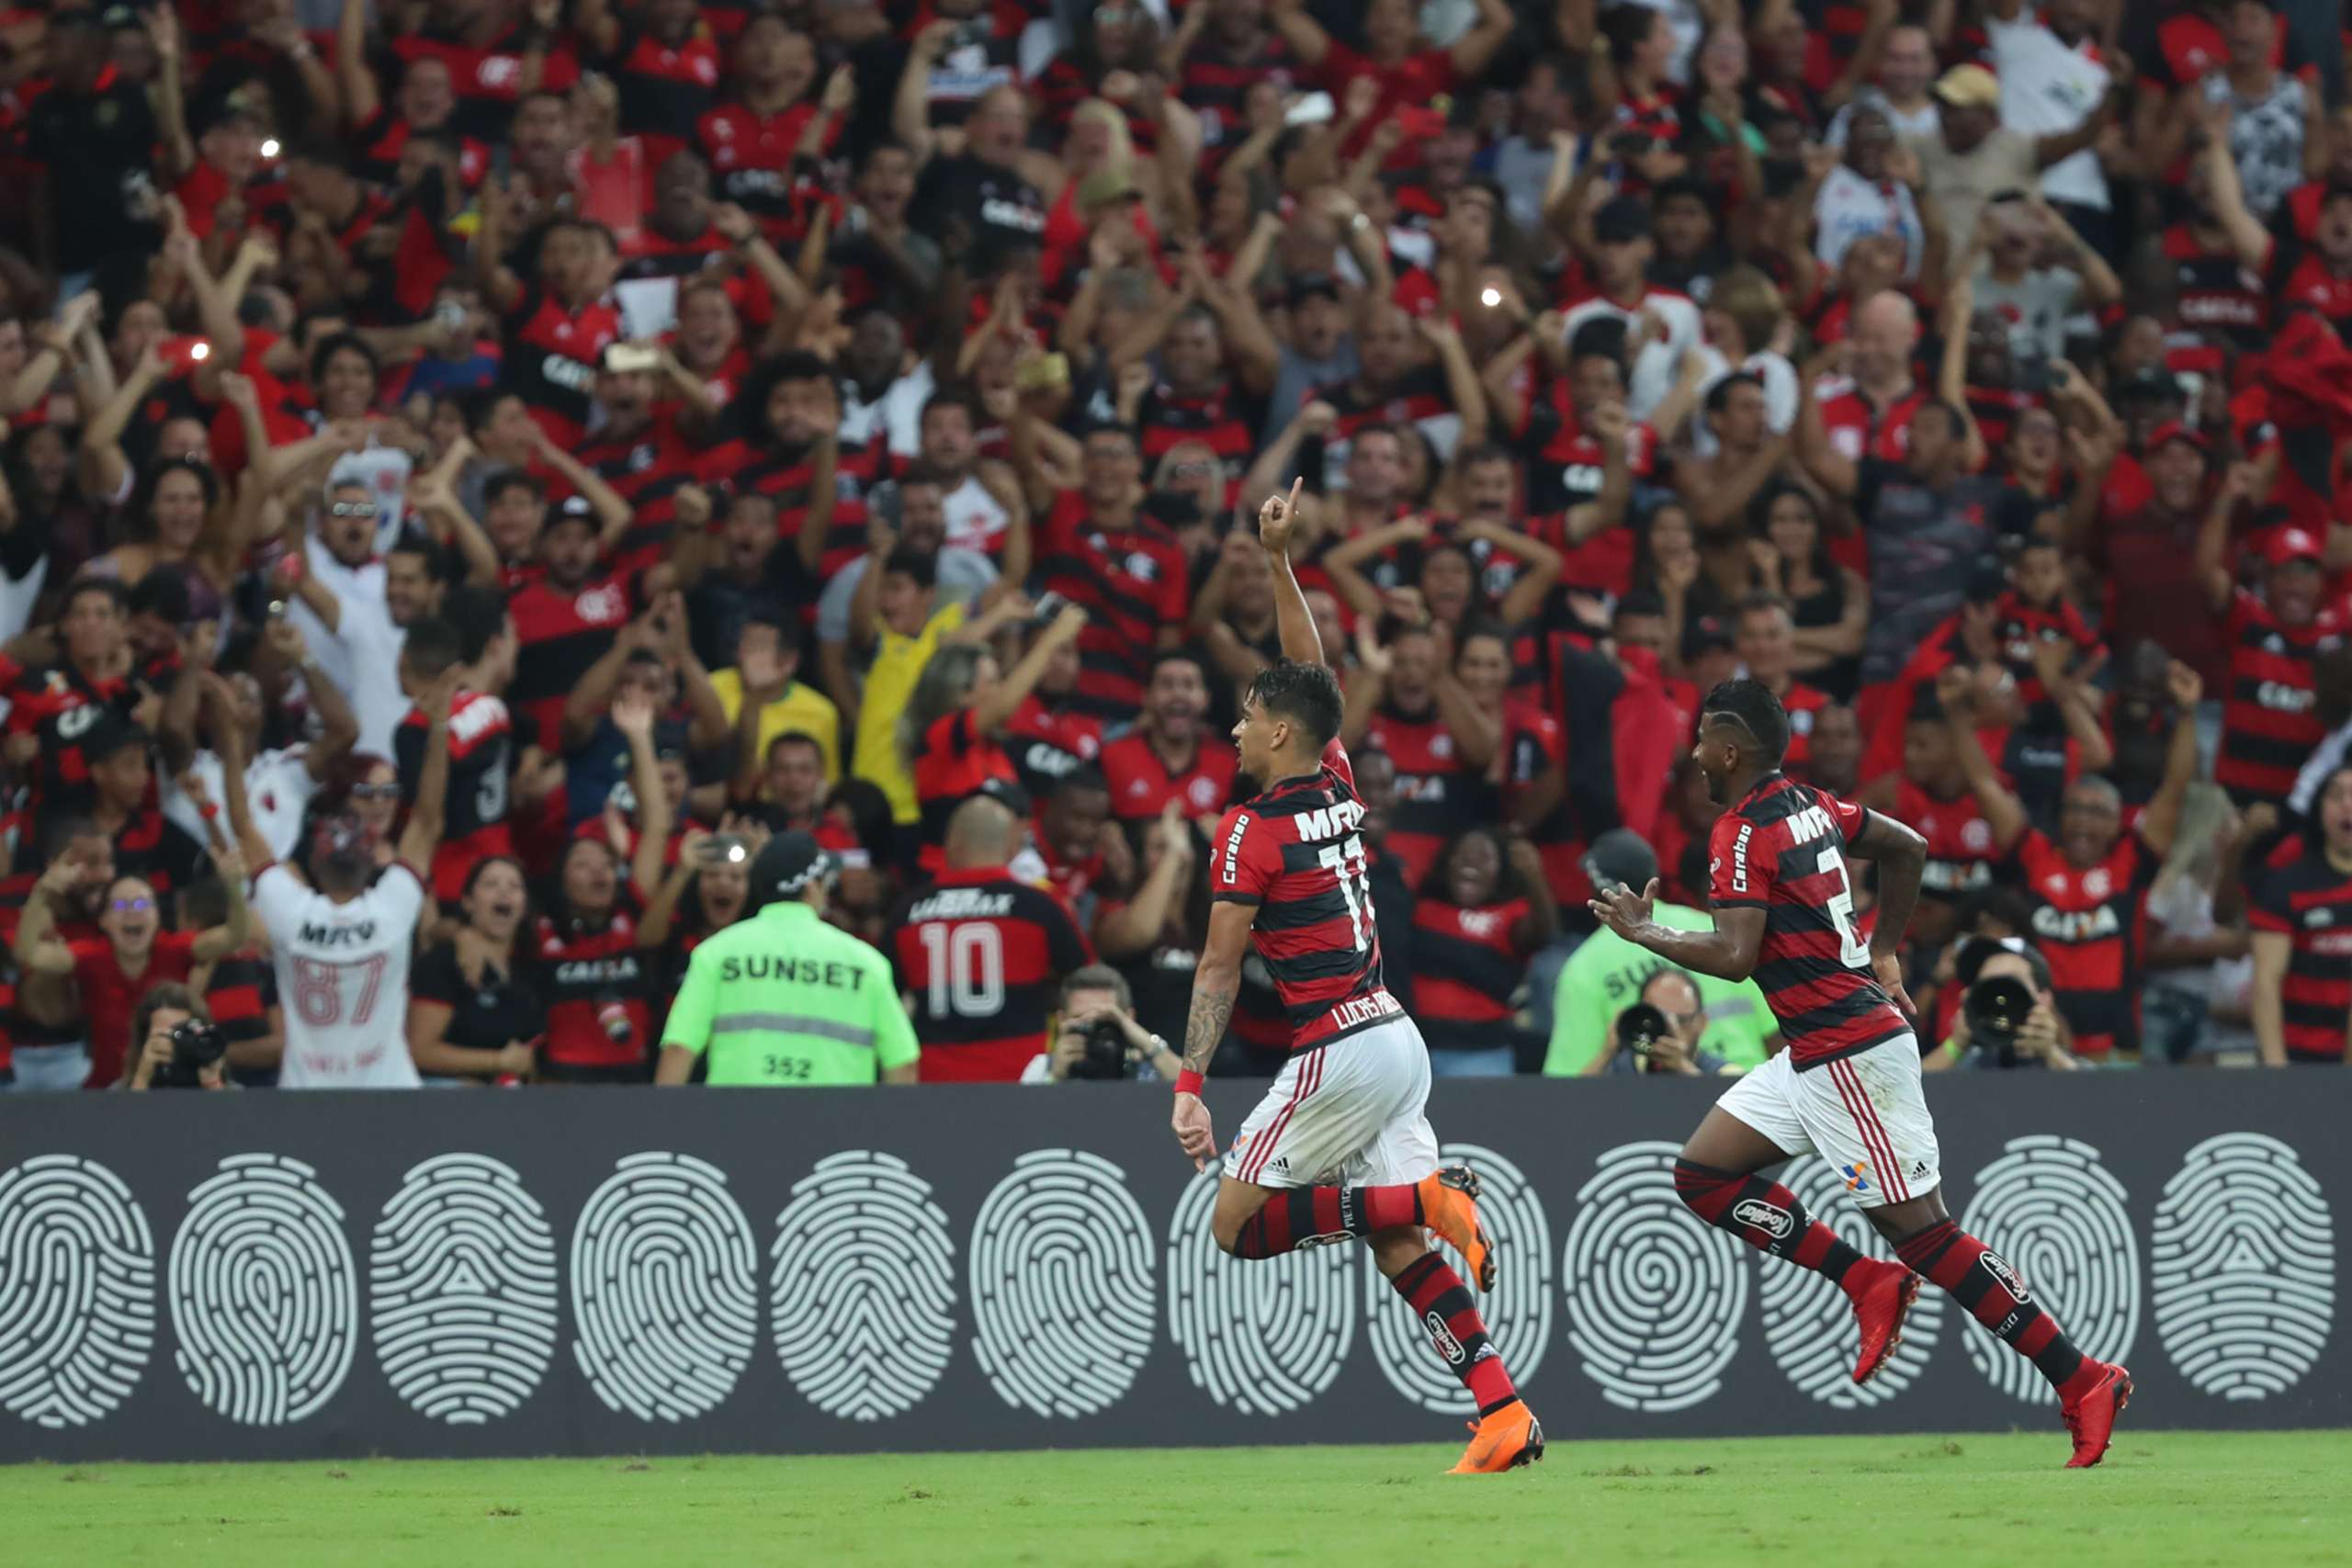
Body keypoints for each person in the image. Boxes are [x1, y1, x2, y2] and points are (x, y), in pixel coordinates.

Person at [1589, 676, 2133, 1467]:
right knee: (1704, 1175)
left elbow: (1736, 955)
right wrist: (1884, 949)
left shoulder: (1740, 829)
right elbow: (1907, 846)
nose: (1695, 751)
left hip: (1847, 1053)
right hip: (1811, 1052)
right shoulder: (1812, 804)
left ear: (1731, 749)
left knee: (1926, 1234)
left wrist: (1649, 933)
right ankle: (1863, 1280)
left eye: (1704, 737)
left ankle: (2081, 1376)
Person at [1174, 479, 1542, 1476]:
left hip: (1337, 1046)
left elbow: (1218, 965)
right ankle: (1502, 1411)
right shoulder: (1336, 779)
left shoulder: (1249, 828)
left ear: (1278, 735)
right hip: (1396, 1037)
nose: (1237, 729)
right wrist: (1278, 561)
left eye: (1248, 717)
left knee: (1236, 1227)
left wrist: (1190, 1083)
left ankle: (1427, 1198)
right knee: (1393, 1244)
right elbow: (1315, 676)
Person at [226, 667, 455, 1089]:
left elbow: (241, 825)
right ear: (370, 868)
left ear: (315, 865)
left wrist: (227, 733)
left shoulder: (290, 913)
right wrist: (439, 725)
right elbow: (428, 821)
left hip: (307, 1096)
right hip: (391, 1092)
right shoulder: (390, 910)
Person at [656, 831, 919, 1087]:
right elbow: (902, 1062)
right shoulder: (867, 963)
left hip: (738, 1114)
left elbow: (679, 1048)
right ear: (811, 888)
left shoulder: (715, 953)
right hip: (837, 1115)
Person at [887, 793, 1090, 1083]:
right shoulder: (1040, 908)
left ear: (951, 844)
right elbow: (1087, 981)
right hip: (1023, 1081)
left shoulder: (908, 913)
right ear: (1011, 847)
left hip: (936, 1085)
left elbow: (886, 998)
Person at [1546, 829, 1778, 1076]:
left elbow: (1569, 1084)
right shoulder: (1720, 936)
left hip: (1645, 1093)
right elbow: (1778, 1036)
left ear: (1595, 888)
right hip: (1746, 1086)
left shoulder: (1584, 966)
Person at [2250, 763, 2352, 1066]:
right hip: (2298, 1060)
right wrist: (2277, 1069)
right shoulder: (2286, 887)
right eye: (2336, 796)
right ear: (2320, 809)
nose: (2348, 805)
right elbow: (2266, 981)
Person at [406, 856, 540, 1085]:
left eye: (514, 886)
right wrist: (498, 1061)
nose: (504, 892)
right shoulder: (444, 961)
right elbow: (420, 1051)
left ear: (525, 906)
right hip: (446, 1092)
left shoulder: (528, 965)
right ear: (468, 902)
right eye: (490, 884)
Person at [1023, 964, 1184, 1083]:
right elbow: (1027, 1116)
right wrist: (1055, 1077)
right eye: (1080, 1018)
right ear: (1061, 1019)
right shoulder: (1043, 1067)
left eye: (1104, 1019)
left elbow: (1196, 1094)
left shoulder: (1151, 1066)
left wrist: (1147, 1044)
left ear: (1129, 1019)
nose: (1092, 1025)